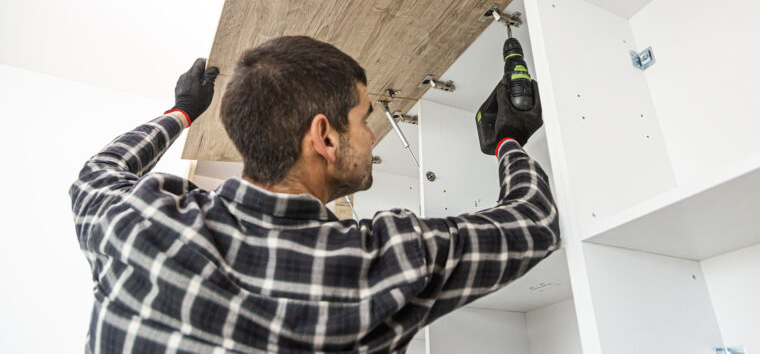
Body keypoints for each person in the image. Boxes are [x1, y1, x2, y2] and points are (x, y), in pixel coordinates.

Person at [69, 36, 559, 353]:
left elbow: (98, 171)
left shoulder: (134, 224)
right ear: (324, 137)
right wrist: (507, 140)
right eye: (364, 118)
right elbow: (534, 221)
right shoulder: (375, 266)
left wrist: (181, 113)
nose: (371, 136)